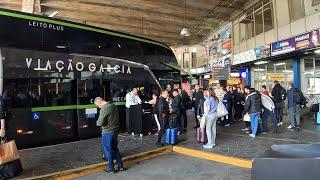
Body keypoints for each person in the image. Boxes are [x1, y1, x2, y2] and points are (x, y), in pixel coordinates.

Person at [94, 97, 125, 174]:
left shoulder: (104, 109)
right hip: (115, 130)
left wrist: (97, 122)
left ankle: (111, 168)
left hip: (107, 132)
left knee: (109, 150)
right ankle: (120, 166)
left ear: (100, 102)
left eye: (98, 105)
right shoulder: (113, 105)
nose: (98, 107)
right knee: (115, 148)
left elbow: (99, 123)